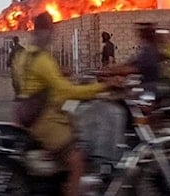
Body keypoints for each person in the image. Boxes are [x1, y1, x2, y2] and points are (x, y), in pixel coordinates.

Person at [14, 12, 119, 196]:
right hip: (44, 119)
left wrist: (57, 74)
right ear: (44, 31)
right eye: (50, 30)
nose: (51, 35)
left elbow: (28, 83)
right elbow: (67, 91)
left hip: (25, 111)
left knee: (73, 119)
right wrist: (102, 87)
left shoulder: (23, 55)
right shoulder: (43, 60)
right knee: (77, 160)